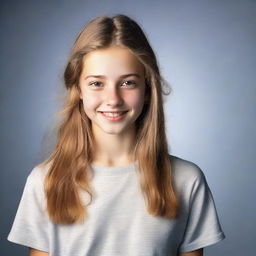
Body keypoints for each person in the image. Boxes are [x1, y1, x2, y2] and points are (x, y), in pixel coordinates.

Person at [7, 14, 225, 256]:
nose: (113, 100)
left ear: (147, 89)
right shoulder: (45, 182)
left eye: (128, 83)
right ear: (77, 88)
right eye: (96, 84)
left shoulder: (186, 180)